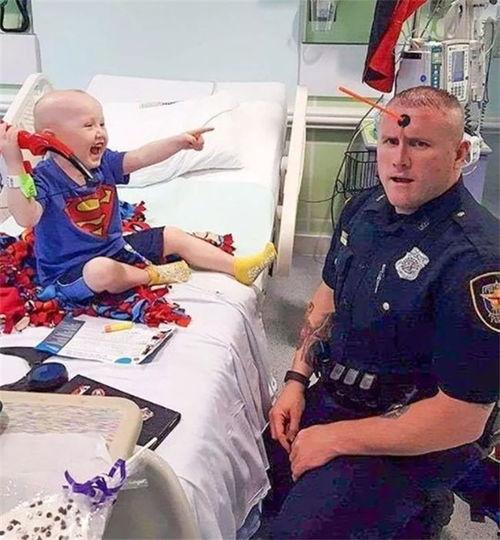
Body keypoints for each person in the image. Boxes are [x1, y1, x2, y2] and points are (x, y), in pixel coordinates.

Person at [263, 86, 499, 539]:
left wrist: (335, 439)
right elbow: (327, 295)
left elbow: (462, 418)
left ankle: (423, 504)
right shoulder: (364, 210)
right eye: (391, 141)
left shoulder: (478, 261)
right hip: (340, 395)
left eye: (420, 144)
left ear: (460, 153)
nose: (399, 159)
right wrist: (295, 381)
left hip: (417, 433)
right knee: (248, 477)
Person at [0, 90, 276, 303]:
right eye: (88, 125)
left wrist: (179, 142)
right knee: (100, 270)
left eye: (102, 123)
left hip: (115, 250)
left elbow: (141, 157)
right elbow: (26, 216)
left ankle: (238, 267)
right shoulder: (42, 179)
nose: (100, 132)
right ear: (50, 137)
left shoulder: (104, 164)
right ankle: (151, 275)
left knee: (172, 235)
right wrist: (13, 162)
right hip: (70, 273)